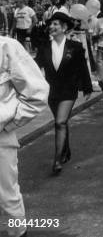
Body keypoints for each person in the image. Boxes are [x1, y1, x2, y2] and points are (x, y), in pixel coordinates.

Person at [1, 36, 49, 237]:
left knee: (8, 199)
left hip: (0, 140)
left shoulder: (6, 47)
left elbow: (36, 94)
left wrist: (9, 125)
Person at [35, 12, 93, 174]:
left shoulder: (75, 47)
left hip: (69, 90)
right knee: (62, 122)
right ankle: (66, 150)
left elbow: (82, 68)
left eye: (56, 24)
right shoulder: (44, 47)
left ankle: (57, 159)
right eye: (51, 24)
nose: (52, 27)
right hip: (52, 91)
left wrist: (87, 87)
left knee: (60, 122)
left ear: (64, 27)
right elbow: (34, 66)